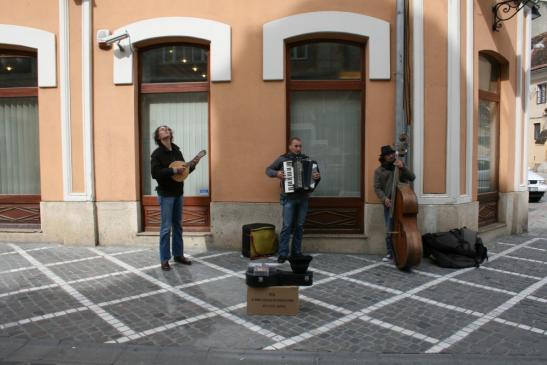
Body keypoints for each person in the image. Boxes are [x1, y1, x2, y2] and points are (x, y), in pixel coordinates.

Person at [151, 125, 201, 271]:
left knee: (178, 225)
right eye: (162, 129)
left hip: (178, 193)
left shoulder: (177, 150)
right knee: (166, 228)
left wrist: (192, 165)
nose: (165, 130)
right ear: (158, 137)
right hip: (166, 195)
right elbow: (155, 173)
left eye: (167, 129)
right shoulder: (157, 154)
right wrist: (173, 170)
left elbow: (183, 172)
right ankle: (164, 259)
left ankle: (178, 255)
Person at [266, 137, 321, 263]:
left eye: (300, 146)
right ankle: (283, 253)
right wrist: (277, 174)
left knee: (300, 226)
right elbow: (268, 170)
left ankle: (296, 252)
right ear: (290, 146)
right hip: (288, 198)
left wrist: (317, 176)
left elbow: (316, 177)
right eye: (296, 146)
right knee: (287, 226)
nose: (298, 148)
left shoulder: (308, 160)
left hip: (303, 198)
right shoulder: (283, 159)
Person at [374, 145, 415, 262]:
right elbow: (377, 188)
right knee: (389, 227)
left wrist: (403, 168)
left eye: (392, 153)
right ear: (384, 157)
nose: (391, 155)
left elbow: (412, 177)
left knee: (404, 226)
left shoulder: (399, 166)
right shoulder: (379, 171)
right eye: (388, 154)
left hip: (403, 201)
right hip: (389, 203)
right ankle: (390, 252)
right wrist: (384, 199)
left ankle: (406, 248)